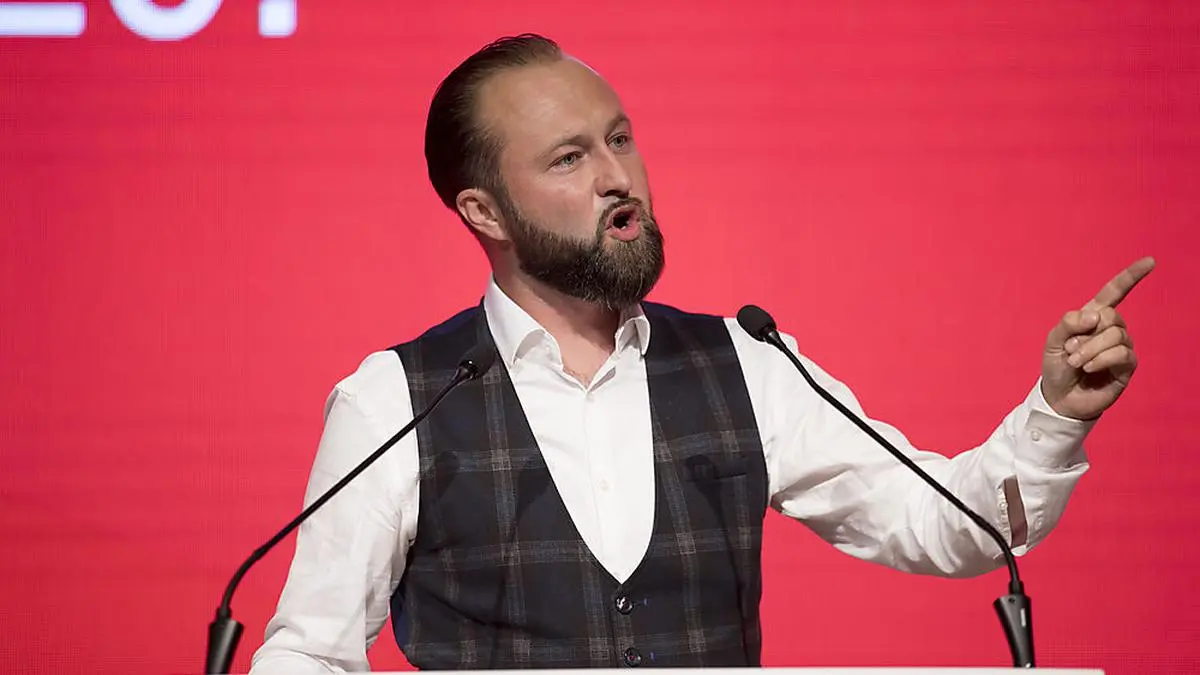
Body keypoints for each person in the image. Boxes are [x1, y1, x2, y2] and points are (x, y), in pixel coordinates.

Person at [250, 33, 1153, 672]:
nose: (617, 175)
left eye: (619, 138)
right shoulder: (397, 400)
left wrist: (1054, 415)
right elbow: (309, 651)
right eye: (569, 158)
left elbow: (952, 527)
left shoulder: (744, 362)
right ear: (484, 211)